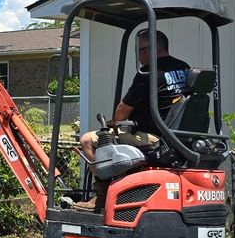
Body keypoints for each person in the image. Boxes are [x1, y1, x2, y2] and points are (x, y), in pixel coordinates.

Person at [79, 29, 190, 166]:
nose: (139, 56)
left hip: (155, 137)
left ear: (146, 51)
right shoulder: (184, 67)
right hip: (180, 136)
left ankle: (101, 185)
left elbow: (123, 109)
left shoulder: (148, 72)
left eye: (138, 51)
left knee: (86, 140)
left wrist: (115, 121)